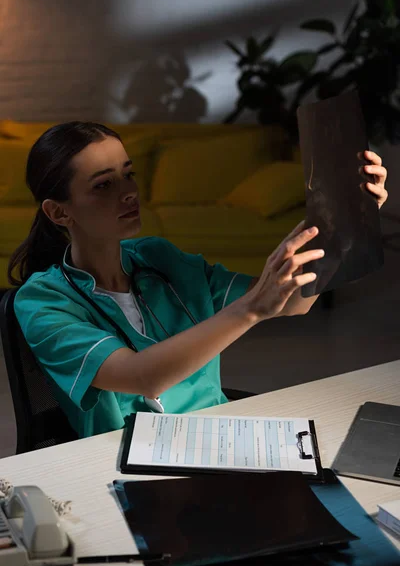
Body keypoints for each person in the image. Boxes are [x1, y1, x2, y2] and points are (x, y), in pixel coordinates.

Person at [8, 122, 388, 438]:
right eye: (104, 185)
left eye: (129, 175)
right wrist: (250, 309)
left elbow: (292, 302)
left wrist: (343, 216)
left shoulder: (159, 258)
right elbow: (142, 377)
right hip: (121, 460)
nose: (130, 193)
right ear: (58, 212)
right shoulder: (42, 302)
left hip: (217, 437)